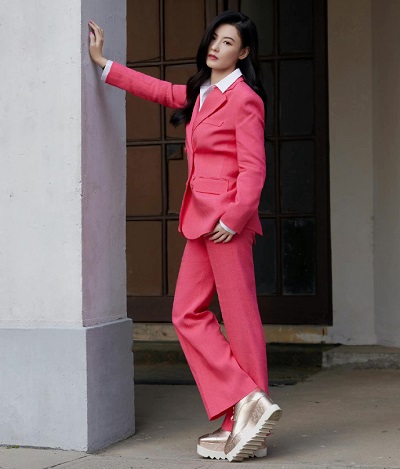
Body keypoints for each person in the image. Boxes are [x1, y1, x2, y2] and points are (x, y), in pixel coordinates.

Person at [89, 11, 281, 463]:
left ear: (244, 52)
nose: (215, 46)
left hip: (227, 224)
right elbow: (158, 90)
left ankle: (244, 420)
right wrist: (104, 63)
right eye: (214, 38)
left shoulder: (245, 99)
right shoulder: (201, 92)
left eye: (227, 42)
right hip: (199, 220)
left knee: (240, 318)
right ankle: (245, 402)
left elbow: (254, 168)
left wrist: (235, 217)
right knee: (186, 313)